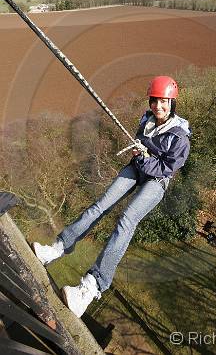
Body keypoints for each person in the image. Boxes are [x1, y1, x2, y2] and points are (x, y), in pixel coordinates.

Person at [32, 76, 191, 317]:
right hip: (137, 166)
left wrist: (145, 158)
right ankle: (58, 248)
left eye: (163, 102)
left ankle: (92, 286)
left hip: (157, 180)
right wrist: (140, 151)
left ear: (172, 103)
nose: (158, 106)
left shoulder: (180, 137)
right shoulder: (146, 120)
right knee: (100, 206)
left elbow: (166, 169)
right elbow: (140, 142)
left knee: (127, 220)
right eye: (154, 101)